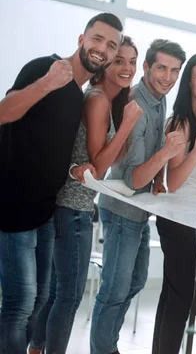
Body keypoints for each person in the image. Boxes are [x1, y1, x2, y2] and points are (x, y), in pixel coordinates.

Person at [0, 12, 123, 354]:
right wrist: (46, 84)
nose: (102, 49)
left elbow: (51, 148)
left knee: (38, 303)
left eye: (111, 45)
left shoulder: (79, 96)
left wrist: (73, 171)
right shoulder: (45, 68)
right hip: (11, 210)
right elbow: (3, 112)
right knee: (19, 306)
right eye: (97, 38)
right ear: (81, 39)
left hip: (44, 214)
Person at [28, 36, 142, 354]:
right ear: (104, 62)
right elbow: (100, 167)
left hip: (66, 205)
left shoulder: (103, 97)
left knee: (53, 293)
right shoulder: (98, 99)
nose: (127, 68)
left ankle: (36, 348)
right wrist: (127, 126)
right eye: (119, 60)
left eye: (132, 61)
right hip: (72, 207)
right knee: (68, 296)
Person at [92, 39, 187, 354]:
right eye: (161, 67)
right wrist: (166, 155)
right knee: (114, 291)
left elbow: (146, 166)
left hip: (138, 211)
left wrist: (158, 179)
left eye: (175, 70)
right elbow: (132, 179)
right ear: (146, 67)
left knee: (133, 283)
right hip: (122, 210)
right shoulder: (137, 105)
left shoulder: (158, 101)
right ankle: (104, 350)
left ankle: (109, 344)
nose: (168, 76)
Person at [152, 53, 196, 354]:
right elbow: (174, 182)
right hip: (176, 217)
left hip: (192, 218)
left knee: (172, 294)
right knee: (181, 297)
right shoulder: (181, 123)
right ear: (190, 81)